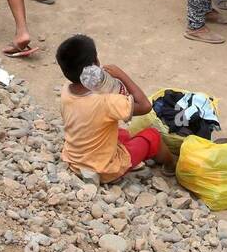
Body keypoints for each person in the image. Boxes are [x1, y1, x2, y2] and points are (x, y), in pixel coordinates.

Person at [57, 34, 174, 180]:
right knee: (152, 135)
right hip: (104, 169)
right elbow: (145, 106)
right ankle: (170, 167)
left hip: (74, 159)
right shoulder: (106, 101)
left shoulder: (66, 90)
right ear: (95, 64)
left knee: (123, 134)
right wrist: (122, 75)